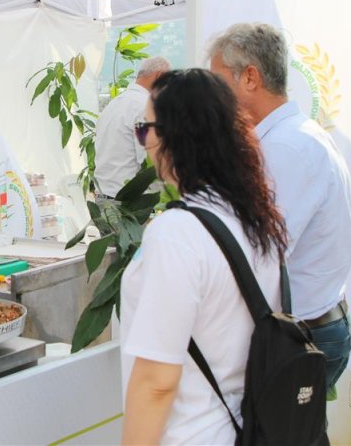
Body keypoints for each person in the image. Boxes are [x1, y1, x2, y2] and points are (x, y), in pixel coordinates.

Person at [120, 69, 287, 444]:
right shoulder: (254, 218)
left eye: (145, 128)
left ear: (173, 137)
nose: (144, 141)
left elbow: (156, 382)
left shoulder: (177, 232)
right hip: (250, 428)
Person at [209, 22, 351, 397]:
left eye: (219, 82)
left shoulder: (286, 149)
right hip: (313, 324)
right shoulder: (293, 136)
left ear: (251, 78)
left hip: (305, 331)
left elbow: (261, 253)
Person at [94, 56, 171, 199]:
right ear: (159, 76)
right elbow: (149, 158)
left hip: (103, 196)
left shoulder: (114, 104)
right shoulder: (145, 107)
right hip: (128, 201)